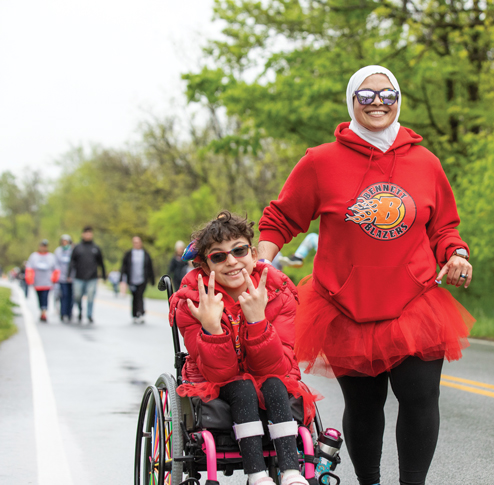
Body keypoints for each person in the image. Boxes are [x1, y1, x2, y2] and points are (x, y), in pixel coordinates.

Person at [257, 65, 475, 485]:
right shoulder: (321, 161)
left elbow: (444, 227)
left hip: (413, 302)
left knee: (420, 398)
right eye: (367, 95)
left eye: (387, 94)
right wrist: (263, 261)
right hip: (346, 306)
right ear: (351, 101)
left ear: (399, 100)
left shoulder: (425, 162)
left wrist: (457, 254)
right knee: (364, 406)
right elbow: (281, 217)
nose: (378, 103)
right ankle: (369, 482)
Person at [169, 211, 317, 485]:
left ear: (252, 251)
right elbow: (220, 374)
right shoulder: (190, 303)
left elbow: (279, 367)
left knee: (273, 384)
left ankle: (291, 472)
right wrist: (212, 329)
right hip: (217, 382)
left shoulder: (280, 291)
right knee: (241, 387)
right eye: (219, 256)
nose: (232, 261)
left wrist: (258, 321)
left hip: (270, 376)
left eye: (239, 250)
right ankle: (257, 475)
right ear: (204, 266)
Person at [68, 226, 106, 324]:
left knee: (90, 296)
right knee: (77, 296)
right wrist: (69, 274)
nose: (88, 235)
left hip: (92, 277)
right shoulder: (77, 248)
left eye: (90, 233)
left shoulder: (96, 248)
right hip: (79, 276)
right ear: (83, 234)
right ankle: (80, 311)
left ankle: (89, 315)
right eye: (86, 233)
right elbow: (72, 262)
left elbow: (101, 263)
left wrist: (104, 275)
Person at [120, 236, 155, 324]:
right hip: (132, 279)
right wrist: (122, 278)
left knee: (140, 296)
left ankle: (141, 313)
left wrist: (152, 279)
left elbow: (150, 267)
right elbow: (124, 266)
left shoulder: (145, 254)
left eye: (138, 242)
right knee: (134, 296)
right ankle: (135, 314)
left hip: (142, 279)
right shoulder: (129, 254)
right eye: (134, 242)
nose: (136, 244)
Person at [26, 240, 60, 322]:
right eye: (42, 246)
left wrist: (54, 278)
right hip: (37, 282)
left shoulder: (51, 257)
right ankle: (42, 310)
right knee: (40, 297)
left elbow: (56, 268)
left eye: (45, 246)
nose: (43, 248)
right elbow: (29, 268)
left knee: (45, 297)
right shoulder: (34, 256)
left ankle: (44, 312)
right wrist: (29, 279)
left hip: (47, 282)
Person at [54, 234, 74, 322]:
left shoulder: (73, 250)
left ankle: (69, 313)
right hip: (62, 278)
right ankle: (63, 313)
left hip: (72, 277)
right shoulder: (58, 251)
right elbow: (56, 264)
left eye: (66, 241)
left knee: (71, 296)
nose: (64, 243)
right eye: (63, 241)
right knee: (63, 295)